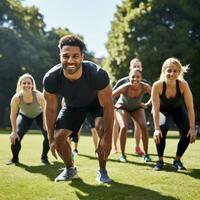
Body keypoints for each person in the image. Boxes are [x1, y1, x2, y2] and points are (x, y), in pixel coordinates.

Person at [43, 34, 114, 183]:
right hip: (72, 106)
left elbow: (108, 106)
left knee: (101, 129)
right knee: (58, 138)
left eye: (75, 56)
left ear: (82, 57)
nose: (70, 60)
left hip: (96, 104)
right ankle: (70, 169)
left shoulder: (98, 74)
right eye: (66, 56)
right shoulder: (51, 79)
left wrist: (108, 137)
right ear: (60, 57)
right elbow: (50, 109)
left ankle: (102, 171)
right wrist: (50, 137)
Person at [151, 57, 197, 171]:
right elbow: (155, 108)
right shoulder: (157, 86)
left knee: (187, 130)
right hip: (161, 110)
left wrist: (192, 128)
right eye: (169, 70)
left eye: (175, 71)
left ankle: (177, 160)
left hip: (177, 109)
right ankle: (160, 161)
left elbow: (190, 108)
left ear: (179, 72)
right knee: (162, 128)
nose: (172, 73)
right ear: (164, 71)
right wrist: (156, 128)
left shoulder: (183, 85)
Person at [7, 73, 50, 165]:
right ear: (20, 84)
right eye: (24, 83)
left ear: (32, 84)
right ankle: (15, 158)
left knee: (48, 134)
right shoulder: (16, 98)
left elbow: (45, 111)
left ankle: (44, 157)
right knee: (16, 137)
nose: (26, 85)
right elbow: (13, 114)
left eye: (29, 83)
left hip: (40, 115)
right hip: (24, 116)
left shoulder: (39, 96)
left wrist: (45, 125)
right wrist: (14, 132)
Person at [112, 58, 150, 156]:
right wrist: (114, 105)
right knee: (121, 126)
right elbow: (111, 95)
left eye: (138, 66)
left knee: (142, 126)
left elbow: (155, 95)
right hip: (122, 106)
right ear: (130, 68)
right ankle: (116, 148)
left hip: (136, 107)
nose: (135, 79)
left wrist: (147, 104)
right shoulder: (123, 83)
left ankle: (141, 150)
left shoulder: (144, 84)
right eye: (134, 66)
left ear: (141, 69)